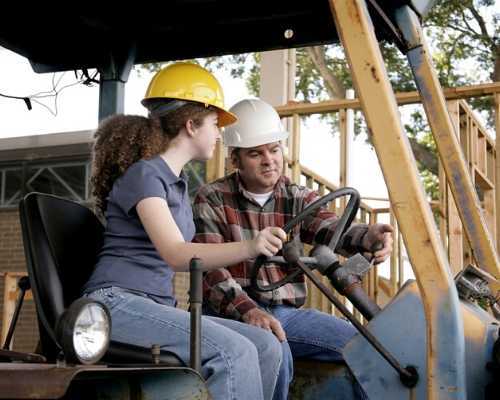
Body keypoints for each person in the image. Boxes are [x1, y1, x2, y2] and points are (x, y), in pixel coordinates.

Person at [82, 65, 287, 400]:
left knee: (264, 345)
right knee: (235, 353)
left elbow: (196, 253)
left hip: (153, 305)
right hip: (113, 306)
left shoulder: (177, 186)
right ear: (192, 126)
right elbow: (177, 253)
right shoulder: (145, 176)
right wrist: (251, 245)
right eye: (215, 125)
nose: (220, 135)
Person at [193, 98, 394, 399]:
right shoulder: (211, 199)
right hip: (228, 313)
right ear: (235, 159)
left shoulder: (297, 196)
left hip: (287, 314)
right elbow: (211, 270)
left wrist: (367, 236)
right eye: (255, 153)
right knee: (274, 351)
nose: (268, 160)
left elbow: (330, 228)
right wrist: (249, 311)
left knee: (369, 347)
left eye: (274, 149)